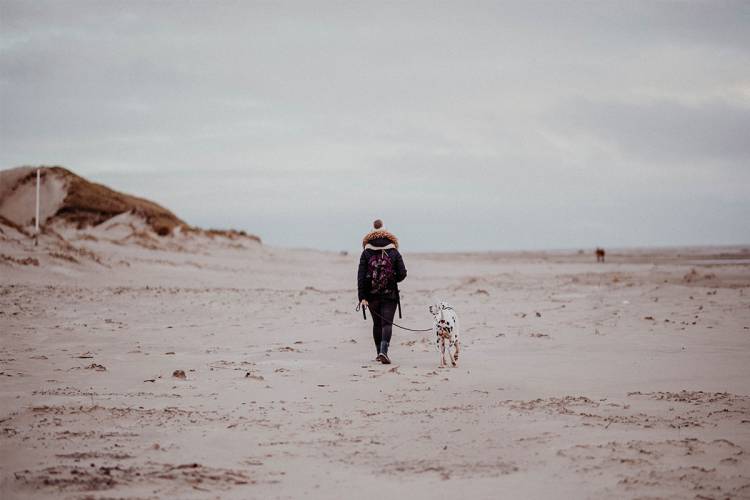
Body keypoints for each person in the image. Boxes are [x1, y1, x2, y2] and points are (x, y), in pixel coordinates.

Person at [357, 219, 407, 364]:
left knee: (377, 324)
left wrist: (362, 297)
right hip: (390, 294)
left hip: (371, 295)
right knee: (387, 324)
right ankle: (383, 352)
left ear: (371, 232)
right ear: (386, 231)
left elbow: (360, 276)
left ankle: (379, 352)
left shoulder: (366, 252)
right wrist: (391, 280)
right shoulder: (393, 250)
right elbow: (402, 273)